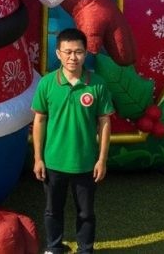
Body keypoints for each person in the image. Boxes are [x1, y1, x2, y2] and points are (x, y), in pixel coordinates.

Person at [32, 28, 114, 253]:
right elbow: (39, 120)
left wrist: (102, 160)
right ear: (58, 53)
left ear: (85, 53)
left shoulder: (97, 84)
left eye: (78, 52)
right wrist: (38, 158)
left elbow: (104, 123)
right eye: (67, 52)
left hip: (86, 163)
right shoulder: (47, 83)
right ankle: (53, 247)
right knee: (52, 210)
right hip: (53, 162)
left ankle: (85, 250)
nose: (72, 57)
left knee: (86, 213)